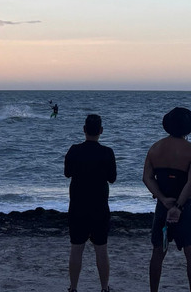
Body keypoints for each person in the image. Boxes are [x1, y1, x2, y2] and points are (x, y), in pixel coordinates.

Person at [142, 107, 191, 292]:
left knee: (158, 251)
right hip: (185, 207)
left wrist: (163, 199)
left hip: (163, 205)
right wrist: (178, 205)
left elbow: (147, 178)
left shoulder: (155, 148)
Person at [64, 113, 117, 292]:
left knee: (76, 248)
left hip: (78, 206)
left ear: (84, 130)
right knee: (101, 249)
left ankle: (73, 287)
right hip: (100, 206)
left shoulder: (74, 150)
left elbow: (67, 173)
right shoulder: (107, 152)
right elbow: (112, 178)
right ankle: (104, 288)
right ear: (101, 131)